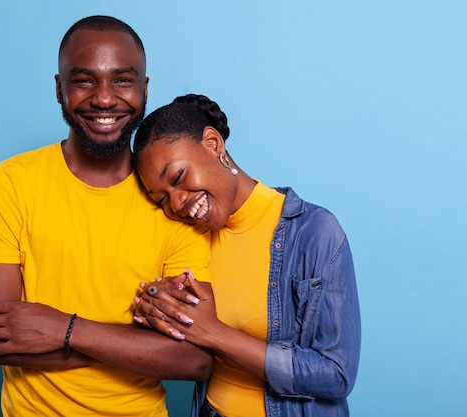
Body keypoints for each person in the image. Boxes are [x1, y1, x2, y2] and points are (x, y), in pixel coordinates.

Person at [0, 17, 213, 417]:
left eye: (122, 80)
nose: (103, 99)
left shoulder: (174, 198)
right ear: (59, 89)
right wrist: (139, 344)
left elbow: (194, 358)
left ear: (144, 89)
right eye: (83, 80)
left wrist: (63, 329)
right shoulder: (9, 183)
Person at [131, 94, 361, 417]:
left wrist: (215, 333)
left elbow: (337, 374)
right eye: (162, 199)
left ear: (213, 144)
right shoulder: (190, 243)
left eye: (179, 178)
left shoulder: (315, 233)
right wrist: (155, 307)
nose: (177, 203)